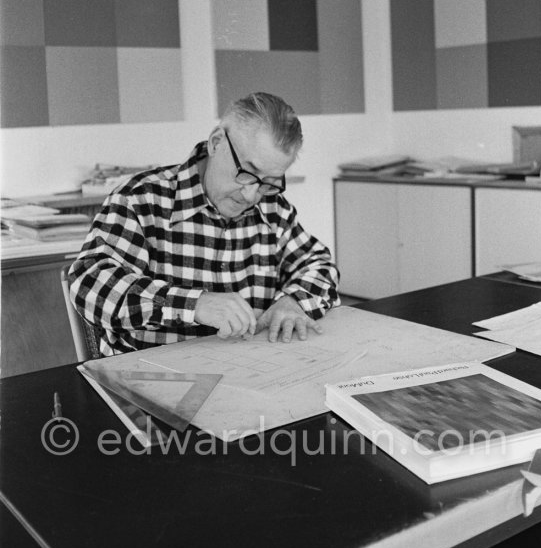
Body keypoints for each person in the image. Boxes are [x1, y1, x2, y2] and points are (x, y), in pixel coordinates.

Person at [69, 92, 340, 355]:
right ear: (216, 142)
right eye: (246, 172)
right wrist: (194, 304)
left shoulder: (272, 208)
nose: (250, 195)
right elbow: (90, 284)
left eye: (269, 183)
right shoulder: (141, 199)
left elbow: (318, 264)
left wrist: (293, 301)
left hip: (247, 374)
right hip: (150, 376)